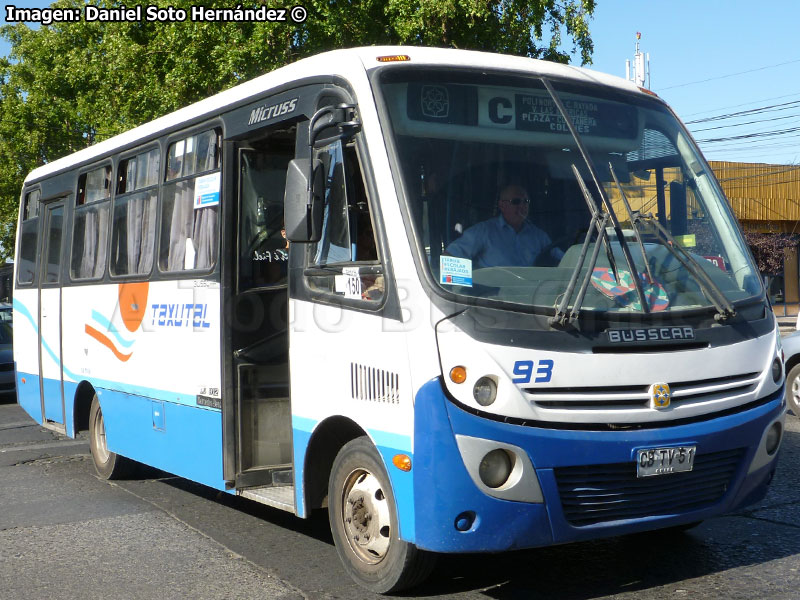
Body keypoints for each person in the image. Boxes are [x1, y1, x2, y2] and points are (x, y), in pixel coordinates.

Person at [445, 183, 564, 268]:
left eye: (525, 201)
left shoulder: (539, 236)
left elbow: (564, 261)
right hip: (493, 300)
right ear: (502, 206)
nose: (522, 206)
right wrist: (471, 286)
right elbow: (449, 258)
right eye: (516, 202)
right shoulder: (484, 231)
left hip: (533, 297)